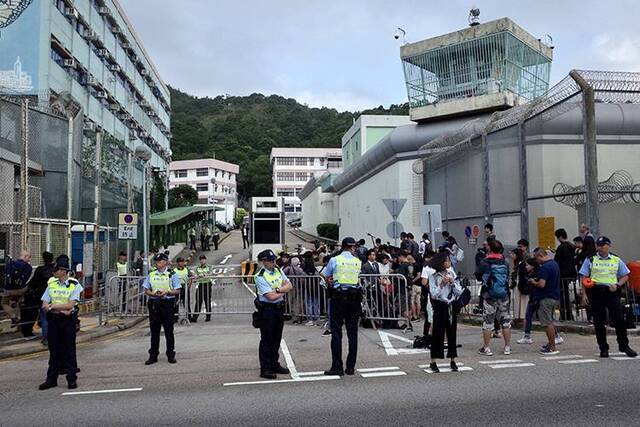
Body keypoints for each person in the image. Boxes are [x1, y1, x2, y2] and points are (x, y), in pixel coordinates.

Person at [579, 236, 637, 358]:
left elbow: (625, 275)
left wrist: (618, 285)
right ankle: (603, 348)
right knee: (599, 322)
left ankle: (624, 346)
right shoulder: (591, 259)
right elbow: (584, 276)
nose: (599, 248)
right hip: (595, 292)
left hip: (611, 292)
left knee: (619, 320)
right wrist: (584, 294)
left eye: (602, 245)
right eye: (598, 245)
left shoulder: (616, 259)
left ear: (608, 246)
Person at [38, 257, 82, 390]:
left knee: (69, 350)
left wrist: (53, 306)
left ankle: (71, 379)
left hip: (67, 321)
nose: (54, 272)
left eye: (56, 269)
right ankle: (51, 379)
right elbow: (45, 303)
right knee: (53, 350)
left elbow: (70, 304)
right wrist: (56, 308)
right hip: (54, 320)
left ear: (63, 271)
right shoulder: (52, 284)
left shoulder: (74, 285)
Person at [322, 237, 362, 376]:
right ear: (352, 247)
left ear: (342, 247)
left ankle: (337, 367)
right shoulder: (357, 262)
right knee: (353, 334)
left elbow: (325, 275)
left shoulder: (335, 260)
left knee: (337, 333)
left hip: (338, 298)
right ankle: (350, 367)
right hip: (354, 299)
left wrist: (329, 279)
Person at [254, 249, 294, 379]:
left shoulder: (278, 270)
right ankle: (265, 368)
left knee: (277, 338)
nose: (273, 262)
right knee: (267, 340)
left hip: (279, 309)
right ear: (264, 262)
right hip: (267, 310)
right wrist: (283, 291)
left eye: (273, 260)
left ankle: (274, 363)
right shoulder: (260, 276)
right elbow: (270, 297)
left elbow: (289, 285)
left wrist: (278, 290)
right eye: (270, 261)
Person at [142, 253, 181, 365]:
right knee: (154, 331)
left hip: (167, 303)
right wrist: (153, 293)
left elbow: (177, 290)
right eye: (156, 261)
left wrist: (167, 292)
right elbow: (146, 290)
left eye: (159, 261)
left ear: (165, 262)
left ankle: (170, 354)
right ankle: (153, 355)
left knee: (169, 330)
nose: (157, 263)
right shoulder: (152, 274)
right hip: (154, 303)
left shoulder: (171, 274)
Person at [428, 252, 463, 372]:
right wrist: (442, 284)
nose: (449, 262)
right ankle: (433, 361)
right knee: (438, 333)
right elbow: (433, 294)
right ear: (441, 263)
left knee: (452, 332)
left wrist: (452, 283)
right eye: (447, 260)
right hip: (439, 305)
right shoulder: (433, 276)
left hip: (450, 305)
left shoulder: (451, 273)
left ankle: (453, 359)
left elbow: (459, 291)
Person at [476, 240, 512, 356]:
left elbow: (478, 275)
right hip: (504, 294)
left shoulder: (485, 262)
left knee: (488, 322)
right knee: (505, 321)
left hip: (489, 295)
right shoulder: (505, 262)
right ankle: (507, 347)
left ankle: (486, 348)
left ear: (490, 249)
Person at [529, 248, 561, 355]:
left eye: (535, 257)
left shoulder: (545, 268)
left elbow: (542, 284)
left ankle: (552, 346)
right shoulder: (554, 264)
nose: (535, 260)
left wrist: (533, 282)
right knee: (550, 320)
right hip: (554, 296)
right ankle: (551, 343)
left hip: (546, 297)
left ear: (540, 256)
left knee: (547, 323)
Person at [21, 252, 55, 342]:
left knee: (43, 317)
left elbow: (33, 282)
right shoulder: (54, 270)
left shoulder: (40, 270)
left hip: (40, 296)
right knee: (50, 317)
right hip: (53, 296)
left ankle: (45, 338)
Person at [2, 250, 33, 326]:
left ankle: (13, 316)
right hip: (20, 290)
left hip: (8, 289)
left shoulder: (10, 264)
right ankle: (17, 304)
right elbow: (26, 279)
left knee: (4, 303)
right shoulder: (28, 267)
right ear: (25, 256)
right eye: (29, 257)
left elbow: (5, 275)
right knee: (25, 290)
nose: (29, 260)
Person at [554, 228, 576, 321]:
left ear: (560, 237)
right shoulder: (571, 246)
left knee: (563, 296)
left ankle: (564, 315)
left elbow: (557, 260)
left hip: (563, 274)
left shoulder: (561, 247)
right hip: (571, 273)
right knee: (567, 295)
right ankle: (569, 314)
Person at [191, 255, 212, 323]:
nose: (202, 261)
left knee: (207, 301)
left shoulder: (209, 267)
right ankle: (195, 317)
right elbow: (195, 276)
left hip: (207, 284)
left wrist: (202, 275)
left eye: (203, 259)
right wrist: (199, 276)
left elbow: (209, 274)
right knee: (198, 301)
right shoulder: (197, 268)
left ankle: (208, 316)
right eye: (201, 259)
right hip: (200, 285)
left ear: (205, 260)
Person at [173, 257, 192, 323]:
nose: (182, 263)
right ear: (178, 263)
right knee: (176, 303)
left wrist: (189, 286)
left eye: (182, 261)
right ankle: (175, 317)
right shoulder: (174, 270)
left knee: (186, 303)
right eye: (180, 262)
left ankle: (189, 316)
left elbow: (190, 277)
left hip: (185, 288)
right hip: (177, 288)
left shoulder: (187, 269)